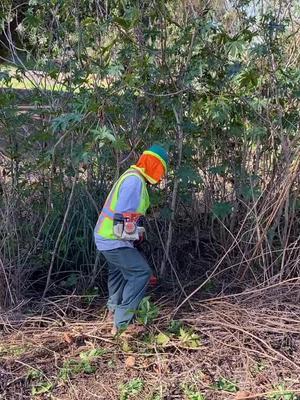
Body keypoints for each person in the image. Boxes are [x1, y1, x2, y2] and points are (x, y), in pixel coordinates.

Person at [94, 144, 168, 334]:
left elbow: (126, 219)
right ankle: (123, 324)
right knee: (141, 273)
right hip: (113, 239)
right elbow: (122, 223)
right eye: (161, 171)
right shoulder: (135, 182)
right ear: (155, 167)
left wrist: (136, 233)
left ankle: (112, 312)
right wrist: (136, 236)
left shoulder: (131, 176)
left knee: (118, 272)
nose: (160, 178)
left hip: (105, 236)